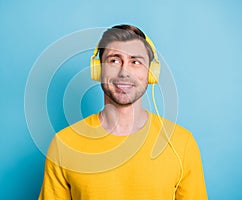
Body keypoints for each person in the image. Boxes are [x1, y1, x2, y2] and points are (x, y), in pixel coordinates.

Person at [38, 24, 208, 200]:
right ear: (98, 70)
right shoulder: (64, 144)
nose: (124, 72)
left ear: (151, 73)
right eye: (114, 60)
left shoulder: (182, 143)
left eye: (135, 62)